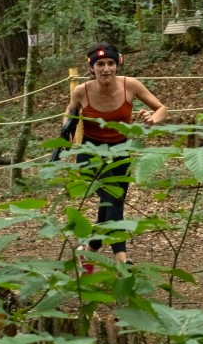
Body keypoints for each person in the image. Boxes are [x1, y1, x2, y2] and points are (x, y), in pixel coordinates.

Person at [64, 43, 167, 266]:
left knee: (109, 206)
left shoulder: (131, 85)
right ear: (91, 67)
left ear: (118, 64)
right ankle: (121, 258)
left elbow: (161, 109)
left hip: (120, 154)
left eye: (110, 63)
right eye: (100, 64)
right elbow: (69, 113)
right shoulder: (81, 91)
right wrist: (67, 133)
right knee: (113, 202)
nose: (106, 69)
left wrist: (152, 120)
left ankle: (88, 249)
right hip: (90, 155)